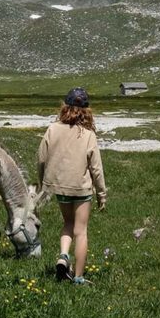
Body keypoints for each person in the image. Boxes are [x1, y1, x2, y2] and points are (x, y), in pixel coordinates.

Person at [36, 87, 107, 285]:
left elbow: (41, 158)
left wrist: (43, 184)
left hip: (59, 187)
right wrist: (102, 194)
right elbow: (96, 168)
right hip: (81, 188)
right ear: (86, 110)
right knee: (81, 231)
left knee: (67, 223)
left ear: (65, 107)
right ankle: (78, 277)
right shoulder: (88, 134)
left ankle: (63, 256)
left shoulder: (52, 129)